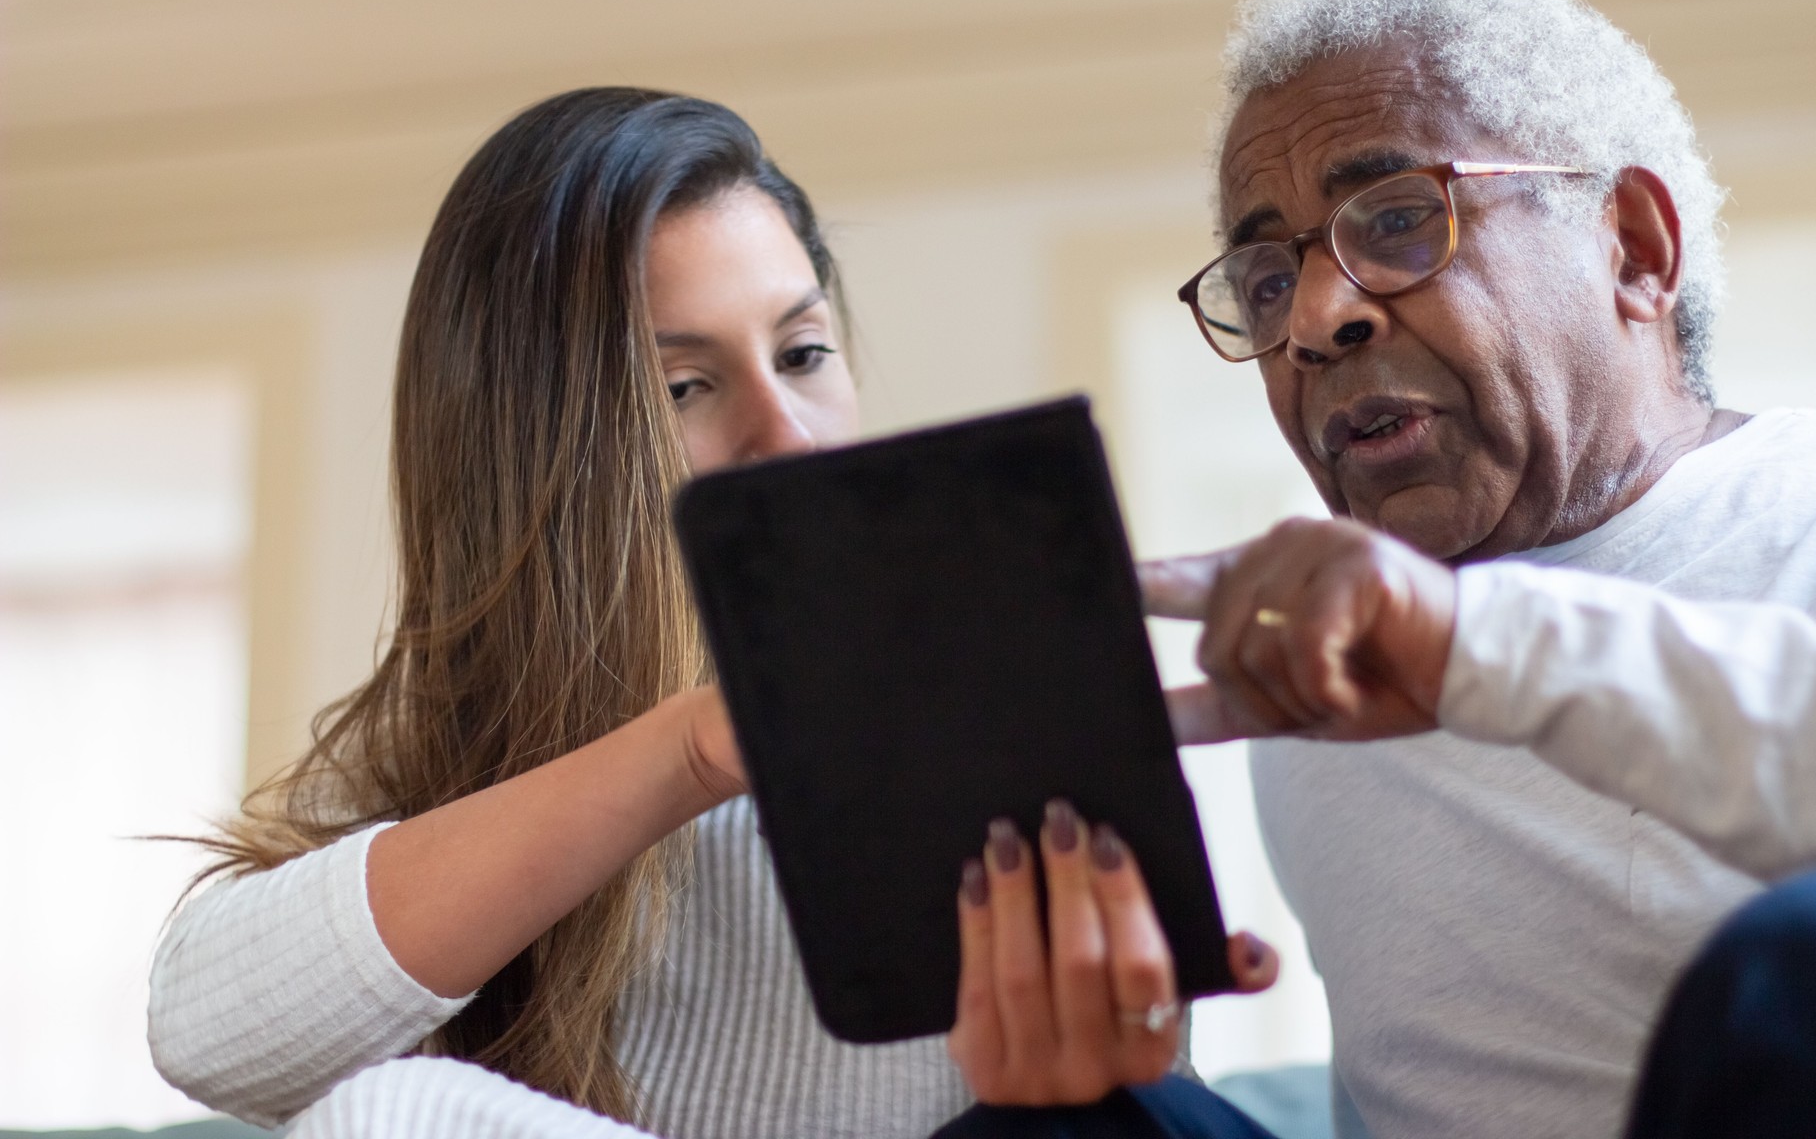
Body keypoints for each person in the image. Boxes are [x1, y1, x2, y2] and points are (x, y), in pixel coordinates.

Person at [148, 87, 1272, 1138]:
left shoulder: (980, 747)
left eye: (803, 353)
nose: (786, 435)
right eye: (685, 385)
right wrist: (691, 747)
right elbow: (208, 1032)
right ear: (535, 456)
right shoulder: (432, 787)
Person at [1123, 0, 1816, 1138]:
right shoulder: (1310, 699)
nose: (1317, 318)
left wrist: (1483, 645)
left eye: (1396, 218)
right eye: (1267, 277)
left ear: (1635, 248)